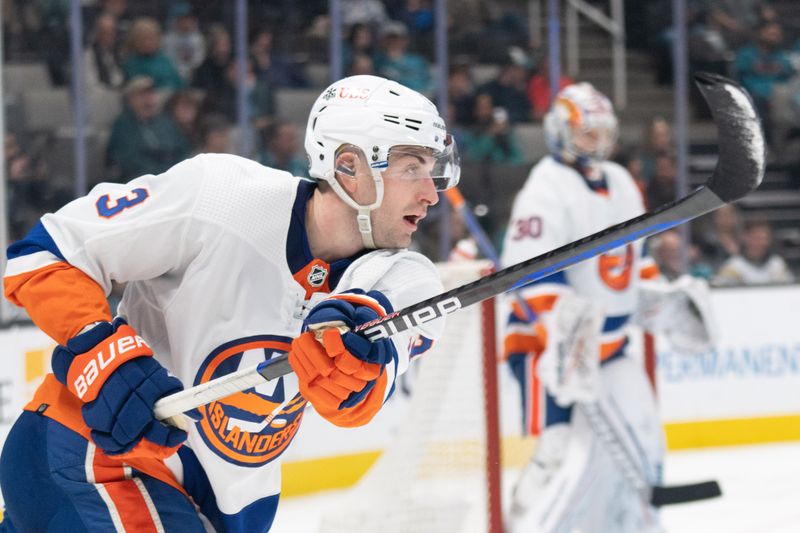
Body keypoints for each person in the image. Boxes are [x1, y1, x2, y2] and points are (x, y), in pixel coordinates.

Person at [0, 74, 460, 531]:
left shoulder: (408, 281)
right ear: (349, 166)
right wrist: (103, 353)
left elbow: (353, 401)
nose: (431, 191)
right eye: (412, 167)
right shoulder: (221, 197)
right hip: (96, 454)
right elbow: (46, 252)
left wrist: (346, 365)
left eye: (433, 169)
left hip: (215, 507)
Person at [501, 83, 669, 532]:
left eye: (602, 133)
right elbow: (531, 274)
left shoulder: (621, 183)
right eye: (585, 133)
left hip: (610, 350)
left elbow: (638, 258)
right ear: (561, 132)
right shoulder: (545, 187)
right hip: (546, 348)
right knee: (559, 450)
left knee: (644, 431)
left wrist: (662, 300)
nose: (596, 143)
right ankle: (519, 524)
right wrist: (567, 341)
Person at [714, 219, 795, 285]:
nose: (761, 243)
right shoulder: (733, 267)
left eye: (764, 238)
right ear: (745, 238)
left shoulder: (777, 264)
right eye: (756, 238)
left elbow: (789, 290)